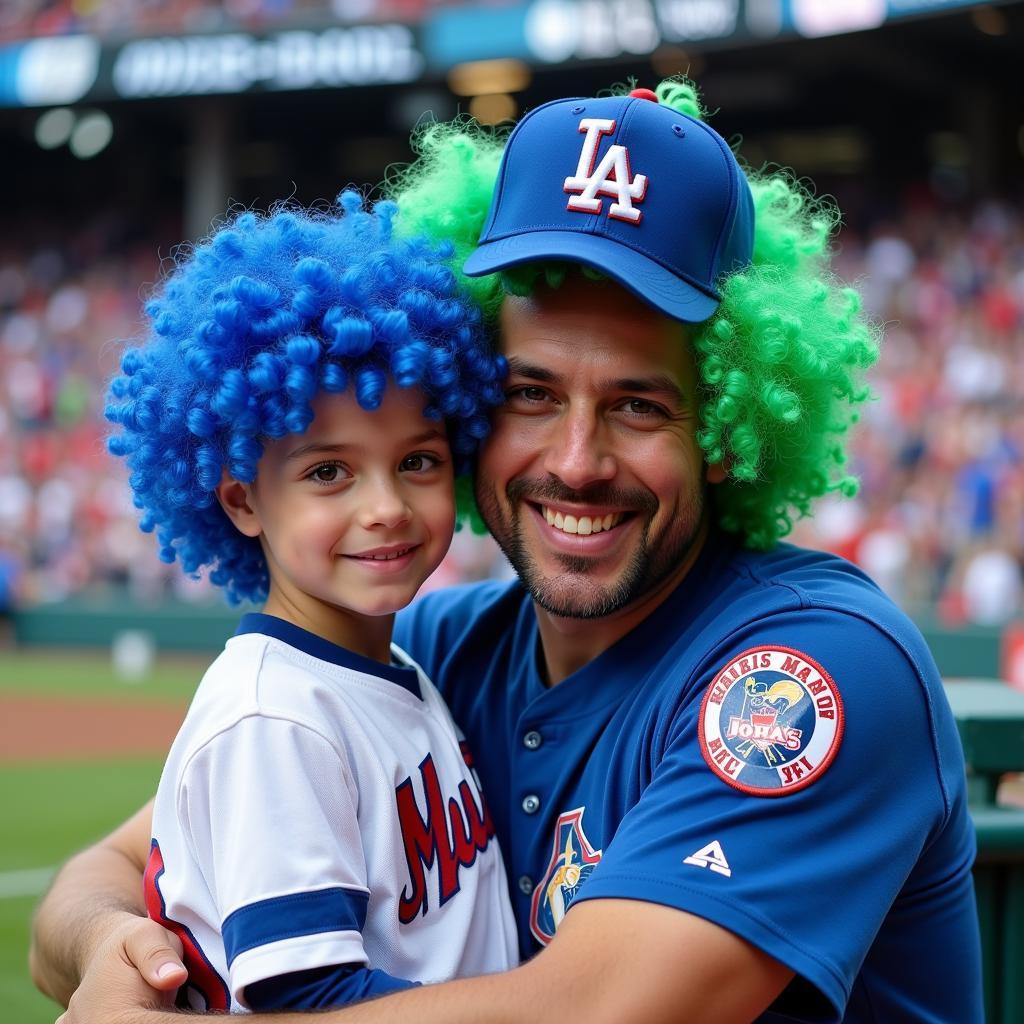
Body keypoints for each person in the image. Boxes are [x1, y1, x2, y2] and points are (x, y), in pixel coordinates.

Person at [32, 79, 983, 1024]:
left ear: (729, 430)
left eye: (638, 405)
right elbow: (99, 877)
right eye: (530, 394)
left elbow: (602, 1010)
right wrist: (116, 951)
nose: (575, 463)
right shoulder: (425, 654)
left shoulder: (816, 667)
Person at [91, 192, 517, 1013]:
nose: (385, 506)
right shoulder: (273, 719)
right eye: (328, 472)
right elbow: (308, 998)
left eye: (419, 461)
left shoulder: (381, 665)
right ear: (243, 502)